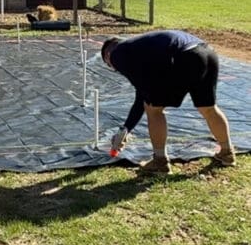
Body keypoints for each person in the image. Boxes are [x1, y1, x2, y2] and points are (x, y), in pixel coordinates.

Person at [101, 30, 236, 174]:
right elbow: (143, 90)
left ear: (108, 55)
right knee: (208, 107)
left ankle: (160, 162)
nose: (114, 68)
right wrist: (126, 129)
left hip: (184, 57)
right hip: (206, 52)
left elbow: (143, 95)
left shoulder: (118, 54)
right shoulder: (140, 46)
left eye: (109, 65)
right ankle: (227, 152)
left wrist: (126, 128)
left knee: (153, 109)